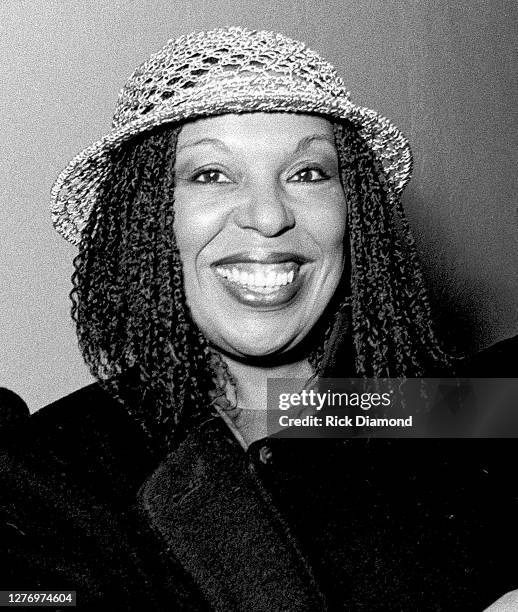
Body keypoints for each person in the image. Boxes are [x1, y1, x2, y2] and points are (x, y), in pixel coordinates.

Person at [1, 27, 515, 610]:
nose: (270, 217)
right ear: (146, 220)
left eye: (308, 173)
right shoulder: (47, 478)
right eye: (211, 175)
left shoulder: (444, 407)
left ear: (355, 212)